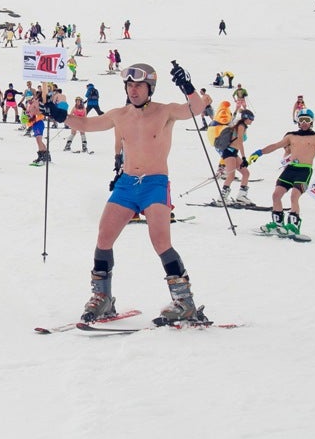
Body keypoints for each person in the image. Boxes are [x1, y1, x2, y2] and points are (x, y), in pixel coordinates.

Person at [58, 61, 208, 324]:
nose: (133, 90)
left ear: (150, 87)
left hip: (155, 184)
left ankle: (185, 301)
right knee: (104, 237)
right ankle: (102, 298)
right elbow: (87, 125)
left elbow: (196, 109)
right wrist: (58, 115)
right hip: (127, 184)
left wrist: (187, 85)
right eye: (129, 85)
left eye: (139, 85)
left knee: (161, 242)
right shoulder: (120, 114)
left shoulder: (165, 112)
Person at [248, 109, 315, 236]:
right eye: (301, 119)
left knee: (294, 196)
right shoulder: (291, 136)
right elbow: (275, 146)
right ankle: (278, 224)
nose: (304, 123)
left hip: (304, 171)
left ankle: (293, 226)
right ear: (297, 121)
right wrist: (259, 152)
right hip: (290, 169)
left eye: (307, 120)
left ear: (311, 122)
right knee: (276, 195)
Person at [216, 109, 255, 205]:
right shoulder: (241, 126)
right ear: (246, 118)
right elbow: (240, 142)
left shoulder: (243, 126)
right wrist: (244, 157)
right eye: (251, 118)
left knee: (246, 173)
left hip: (234, 153)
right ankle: (222, 198)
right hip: (229, 152)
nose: (252, 120)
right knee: (231, 175)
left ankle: (241, 196)